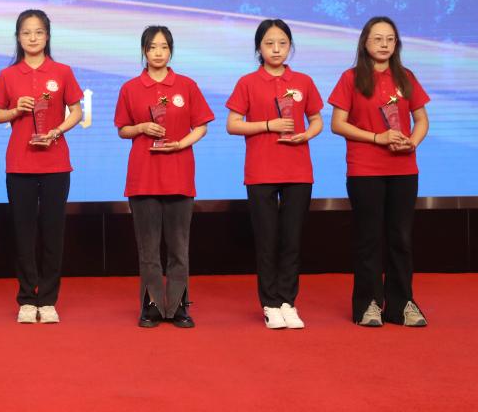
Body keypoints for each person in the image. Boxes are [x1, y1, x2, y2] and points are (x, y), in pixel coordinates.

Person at [329, 16, 430, 327]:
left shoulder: (406, 76)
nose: (384, 44)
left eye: (390, 39)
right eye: (378, 39)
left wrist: (412, 142)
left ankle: (401, 305)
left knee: (401, 238)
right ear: (365, 42)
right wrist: (377, 138)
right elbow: (337, 124)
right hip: (365, 169)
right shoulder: (351, 77)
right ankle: (368, 304)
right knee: (369, 238)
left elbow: (422, 120)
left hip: (404, 168)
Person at [226, 19, 323, 330]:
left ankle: (287, 302)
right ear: (259, 47)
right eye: (269, 43)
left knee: (292, 240)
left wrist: (307, 134)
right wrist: (269, 125)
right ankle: (269, 303)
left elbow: (317, 119)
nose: (276, 49)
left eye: (282, 43)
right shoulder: (247, 82)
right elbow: (232, 124)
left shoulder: (303, 81)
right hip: (261, 171)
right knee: (267, 241)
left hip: (298, 171)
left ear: (290, 46)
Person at [114, 25, 213, 328]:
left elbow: (202, 125)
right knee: (148, 250)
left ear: (171, 51)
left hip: (179, 175)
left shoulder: (187, 85)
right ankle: (152, 307)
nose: (158, 53)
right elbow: (122, 129)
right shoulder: (131, 88)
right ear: (143, 51)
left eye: (164, 47)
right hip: (143, 177)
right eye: (152, 47)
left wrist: (181, 143)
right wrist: (142, 128)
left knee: (179, 248)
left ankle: (179, 307)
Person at [0, 9, 83, 324]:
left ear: (47, 36)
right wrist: (15, 110)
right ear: (18, 37)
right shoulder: (8, 75)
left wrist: (57, 130)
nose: (32, 38)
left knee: (53, 233)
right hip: (20, 164)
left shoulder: (62, 72)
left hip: (56, 163)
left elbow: (77, 112)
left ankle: (49, 299)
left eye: (38, 32)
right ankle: (28, 298)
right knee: (23, 233)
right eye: (26, 32)